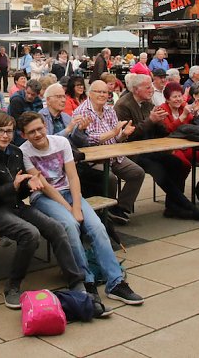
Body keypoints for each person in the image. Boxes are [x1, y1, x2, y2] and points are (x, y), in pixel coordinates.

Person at [18, 112, 143, 306]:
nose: (37, 134)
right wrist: (69, 209)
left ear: (45, 126)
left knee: (98, 227)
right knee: (70, 226)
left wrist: (76, 206)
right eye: (31, 132)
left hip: (70, 192)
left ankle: (115, 282)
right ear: (24, 135)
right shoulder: (24, 151)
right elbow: (45, 185)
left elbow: (73, 177)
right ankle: (86, 280)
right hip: (44, 197)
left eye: (40, 128)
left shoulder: (61, 142)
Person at [0, 112, 86, 309]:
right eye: (0, 131)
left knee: (56, 228)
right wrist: (13, 186)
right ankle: (13, 286)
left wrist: (29, 185)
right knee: (30, 234)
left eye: (9, 131)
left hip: (15, 206)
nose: (5, 135)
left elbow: (19, 190)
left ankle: (76, 280)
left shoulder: (15, 152)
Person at [75, 80, 145, 223]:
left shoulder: (109, 110)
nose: (102, 95)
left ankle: (120, 208)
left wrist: (124, 134)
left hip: (113, 155)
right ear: (90, 93)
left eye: (105, 92)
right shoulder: (82, 111)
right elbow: (89, 140)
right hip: (94, 159)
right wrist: (114, 132)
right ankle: (106, 211)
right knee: (110, 178)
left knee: (137, 173)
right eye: (98, 92)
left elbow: (116, 139)